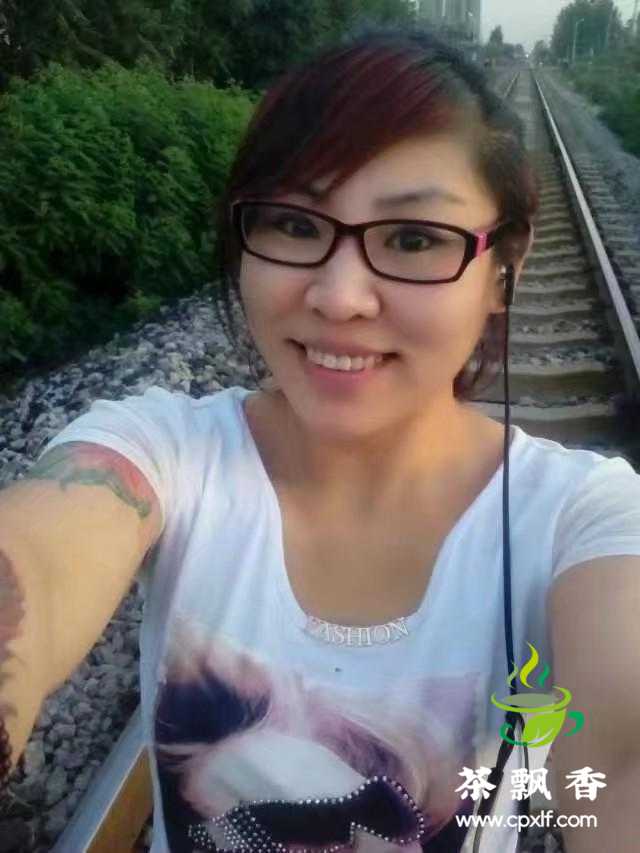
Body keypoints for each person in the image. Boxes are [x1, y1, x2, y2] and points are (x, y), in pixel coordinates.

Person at [1, 20, 640, 853]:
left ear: (503, 270)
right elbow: (39, 557)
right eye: (295, 226)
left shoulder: (583, 519)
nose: (339, 296)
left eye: (413, 239)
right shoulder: (162, 451)